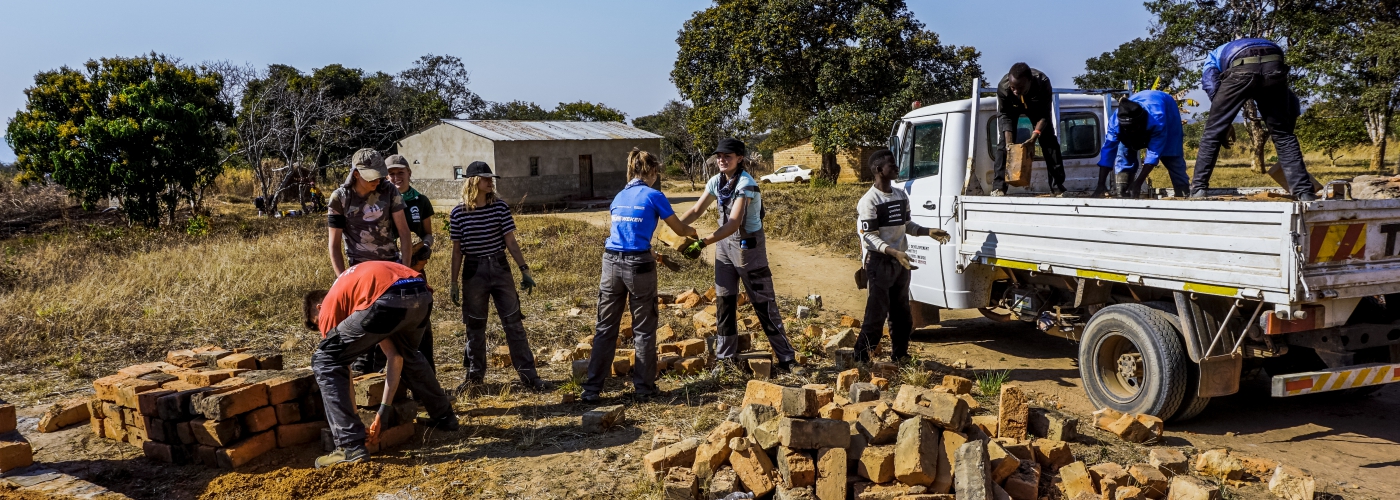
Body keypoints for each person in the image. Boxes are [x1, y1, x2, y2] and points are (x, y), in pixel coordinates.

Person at [303, 260, 458, 468]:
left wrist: (356, 426)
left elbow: (340, 367)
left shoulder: (330, 305)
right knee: (408, 354)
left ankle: (349, 446)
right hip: (420, 293)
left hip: (388, 297)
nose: (323, 328)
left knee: (325, 359)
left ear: (319, 308)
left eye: (317, 322)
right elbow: (395, 357)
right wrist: (383, 411)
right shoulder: (358, 293)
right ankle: (445, 417)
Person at [581, 149, 698, 403]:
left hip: (611, 262)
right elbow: (678, 228)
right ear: (652, 171)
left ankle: (592, 389)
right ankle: (644, 388)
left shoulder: (620, 195)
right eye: (656, 173)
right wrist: (694, 232)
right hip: (638, 266)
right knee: (644, 328)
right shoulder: (654, 195)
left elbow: (625, 231)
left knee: (605, 327)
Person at [678, 138, 802, 375]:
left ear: (739, 158)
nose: (722, 160)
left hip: (749, 247)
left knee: (763, 303)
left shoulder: (746, 183)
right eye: (719, 156)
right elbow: (696, 210)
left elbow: (734, 223)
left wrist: (703, 242)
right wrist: (669, 227)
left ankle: (787, 358)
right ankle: (726, 359)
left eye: (728, 156)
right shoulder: (716, 181)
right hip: (724, 247)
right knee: (725, 302)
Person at [448, 161, 545, 393]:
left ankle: (529, 377)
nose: (490, 181)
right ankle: (474, 379)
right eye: (485, 178)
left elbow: (510, 240)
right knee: (474, 326)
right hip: (474, 271)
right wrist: (453, 282)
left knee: (513, 323)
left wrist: (524, 269)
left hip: (499, 267)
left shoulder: (499, 207)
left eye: (491, 178)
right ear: (473, 182)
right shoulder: (458, 212)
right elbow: (456, 250)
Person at [852, 150, 950, 363]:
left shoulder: (899, 195)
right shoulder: (869, 201)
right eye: (892, 165)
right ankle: (860, 358)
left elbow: (906, 224)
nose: (896, 168)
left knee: (902, 314)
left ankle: (900, 355)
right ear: (879, 170)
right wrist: (894, 252)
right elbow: (869, 237)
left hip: (899, 263)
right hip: (879, 263)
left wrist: (927, 231)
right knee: (875, 315)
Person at [1191, 38, 1315, 201]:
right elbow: (1291, 101)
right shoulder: (1263, 45)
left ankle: (1198, 189)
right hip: (1275, 62)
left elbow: (1211, 85)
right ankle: (1304, 192)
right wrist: (1285, 127)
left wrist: (1222, 119)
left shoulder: (1213, 56)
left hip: (1241, 69)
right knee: (1283, 135)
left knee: (1212, 133)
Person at [327, 148, 414, 375]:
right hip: (360, 273)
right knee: (363, 330)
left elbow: (404, 233)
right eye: (372, 175)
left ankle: (401, 381)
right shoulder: (340, 198)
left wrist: (405, 270)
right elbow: (334, 244)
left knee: (400, 331)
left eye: (380, 174)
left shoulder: (389, 191)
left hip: (390, 270)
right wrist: (343, 279)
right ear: (356, 173)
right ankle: (364, 380)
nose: (378, 179)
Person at [385, 154, 438, 371]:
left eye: (401, 172)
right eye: (392, 174)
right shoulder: (381, 201)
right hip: (388, 270)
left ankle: (428, 377)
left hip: (414, 269)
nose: (396, 177)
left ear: (409, 173)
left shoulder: (420, 201)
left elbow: (428, 234)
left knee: (421, 323)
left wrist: (424, 245)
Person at [1094, 91, 1189, 198]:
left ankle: (1182, 191)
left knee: (1171, 154)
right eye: (1127, 128)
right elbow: (1108, 151)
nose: (1131, 131)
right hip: (1139, 108)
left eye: (1133, 128)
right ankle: (1123, 191)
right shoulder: (1115, 122)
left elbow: (1154, 154)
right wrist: (1100, 184)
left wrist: (1138, 183)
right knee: (1124, 150)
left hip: (1166, 107)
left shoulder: (1157, 120)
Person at [992, 63, 1066, 196]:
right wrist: (1010, 144)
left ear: (1030, 81)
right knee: (1003, 144)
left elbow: (1044, 115)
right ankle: (998, 188)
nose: (1016, 91)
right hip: (1011, 109)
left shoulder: (1042, 82)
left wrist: (1033, 138)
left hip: (1036, 107)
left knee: (1049, 141)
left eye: (1020, 87)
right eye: (1013, 87)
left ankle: (1057, 187)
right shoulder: (1003, 88)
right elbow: (1005, 116)